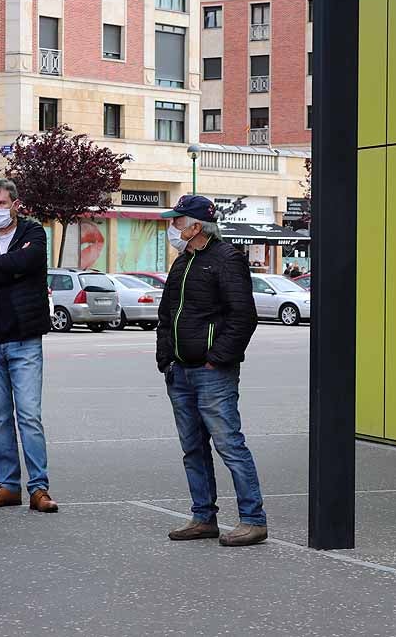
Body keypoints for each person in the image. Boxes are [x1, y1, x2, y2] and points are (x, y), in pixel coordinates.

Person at [156, 195, 268, 547]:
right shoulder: (182, 261)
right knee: (193, 448)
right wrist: (167, 359)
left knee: (229, 444)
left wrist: (216, 358)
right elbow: (166, 315)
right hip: (180, 370)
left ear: (196, 225)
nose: (173, 227)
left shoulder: (227, 258)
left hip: (211, 371)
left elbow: (243, 316)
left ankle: (253, 519)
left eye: (178, 221)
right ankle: (203, 517)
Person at [0, 179, 58, 514]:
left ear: (15, 203)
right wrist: (2, 268)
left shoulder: (35, 233)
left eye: (1, 203)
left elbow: (25, 264)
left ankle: (39, 488)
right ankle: (7, 485)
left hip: (24, 338)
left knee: (29, 415)